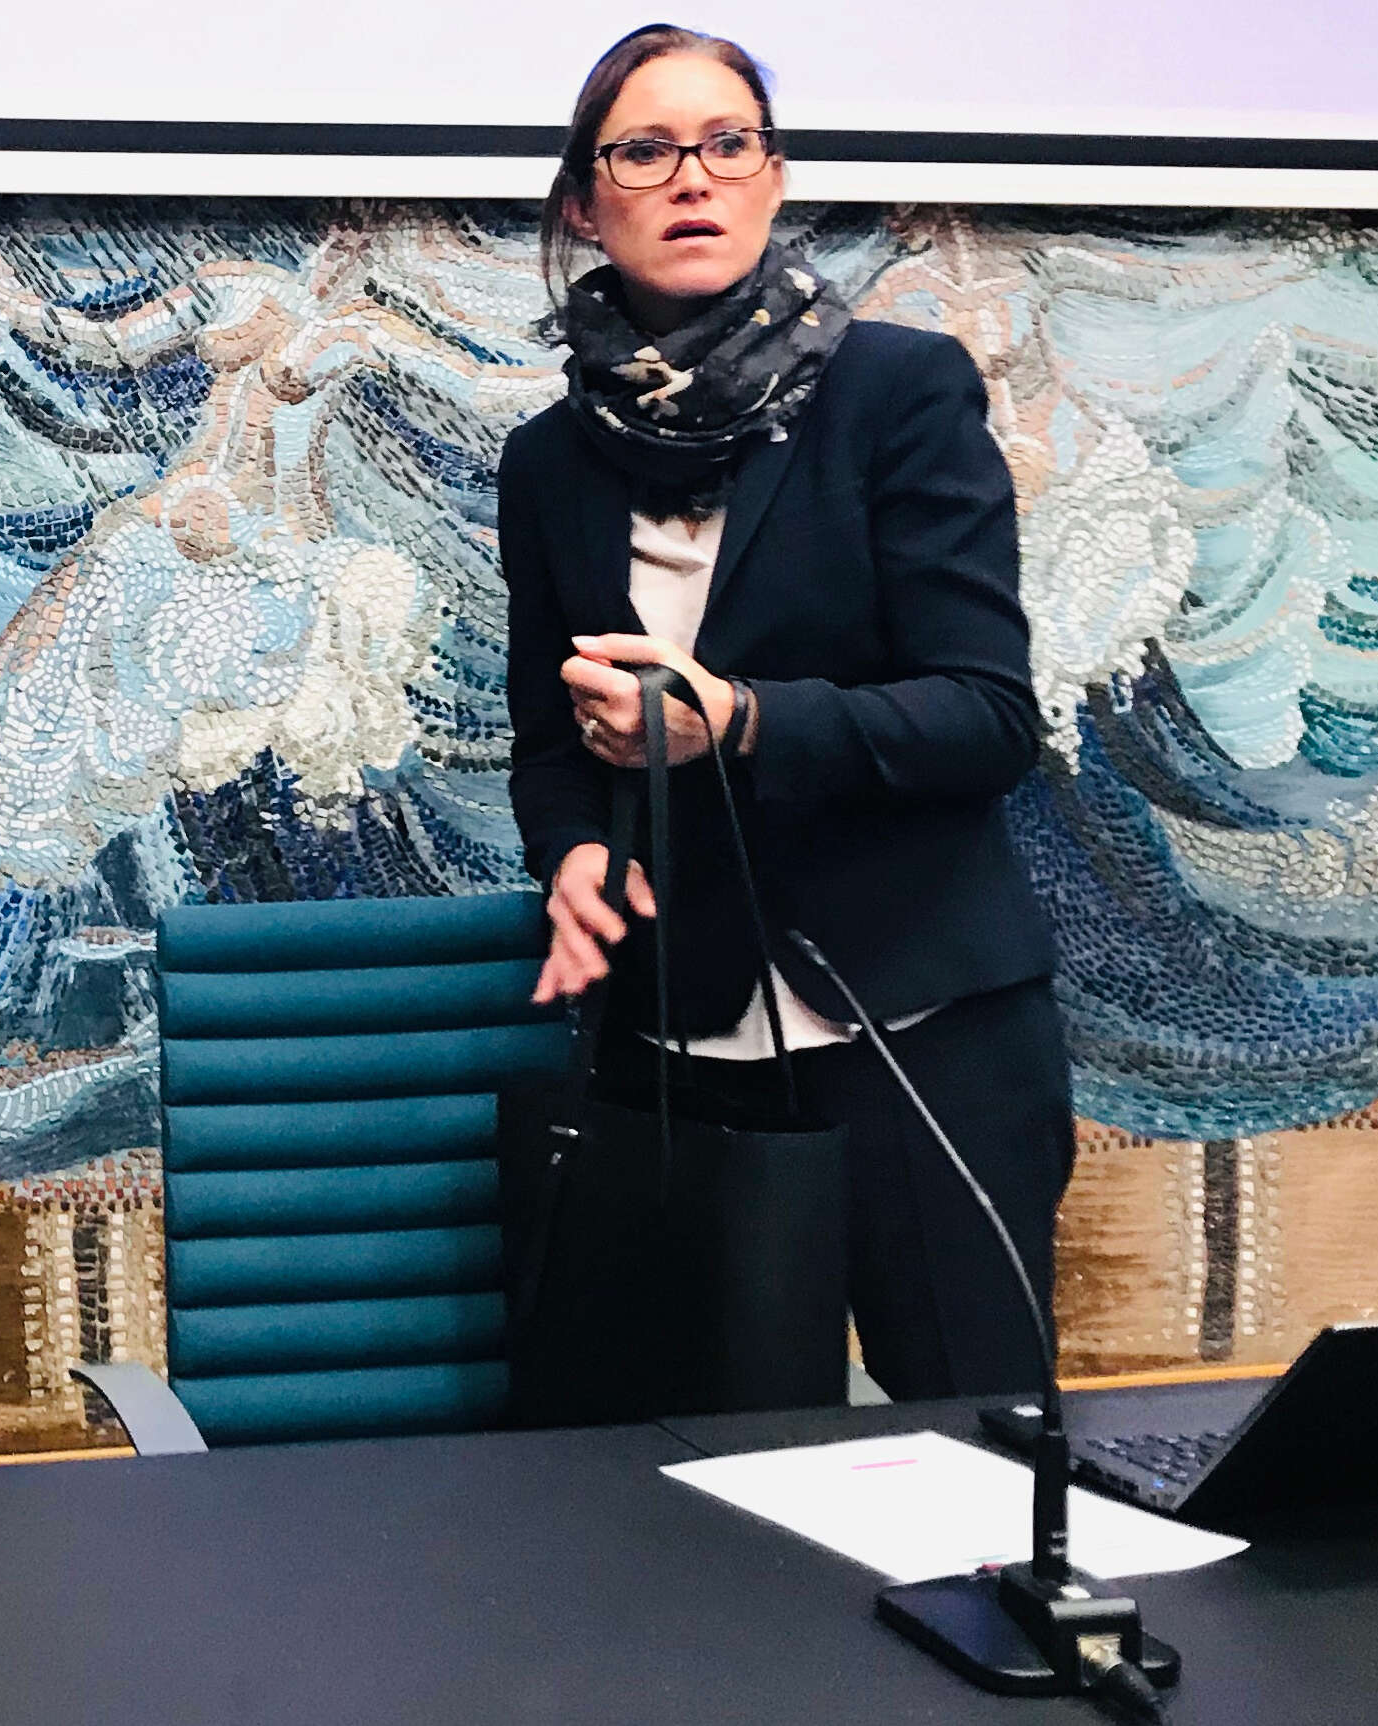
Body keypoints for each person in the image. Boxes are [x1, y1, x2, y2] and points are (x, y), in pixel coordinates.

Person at [502, 25, 1066, 1399]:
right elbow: (548, 743)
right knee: (704, 1482)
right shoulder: (548, 462)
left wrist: (744, 719)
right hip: (680, 1043)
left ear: (772, 176)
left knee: (979, 1450)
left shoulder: (897, 393)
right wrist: (572, 853)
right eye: (644, 151)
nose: (691, 176)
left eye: (726, 143)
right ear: (584, 205)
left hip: (920, 1027)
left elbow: (988, 717)